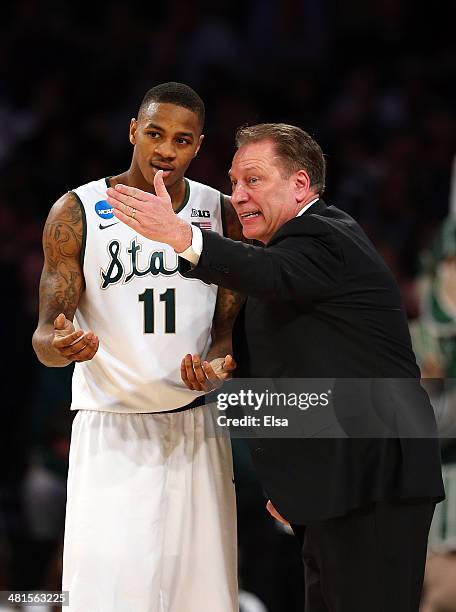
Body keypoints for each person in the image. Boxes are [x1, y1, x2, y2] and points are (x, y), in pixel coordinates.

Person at [107, 122, 446, 612]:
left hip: (374, 482)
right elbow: (299, 366)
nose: (238, 195)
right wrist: (293, 477)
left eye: (254, 180)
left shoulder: (325, 237)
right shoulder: (293, 256)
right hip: (339, 483)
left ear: (301, 185)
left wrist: (182, 235)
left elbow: (265, 273)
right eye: (234, 182)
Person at [32, 82, 243, 612]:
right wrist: (63, 344)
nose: (165, 150)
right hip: (111, 426)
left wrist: (218, 364)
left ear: (198, 147)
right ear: (133, 131)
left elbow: (226, 333)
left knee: (206, 599)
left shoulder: (222, 213)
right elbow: (43, 340)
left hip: (195, 427)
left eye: (182, 139)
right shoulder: (76, 212)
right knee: (107, 599)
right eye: (154, 133)